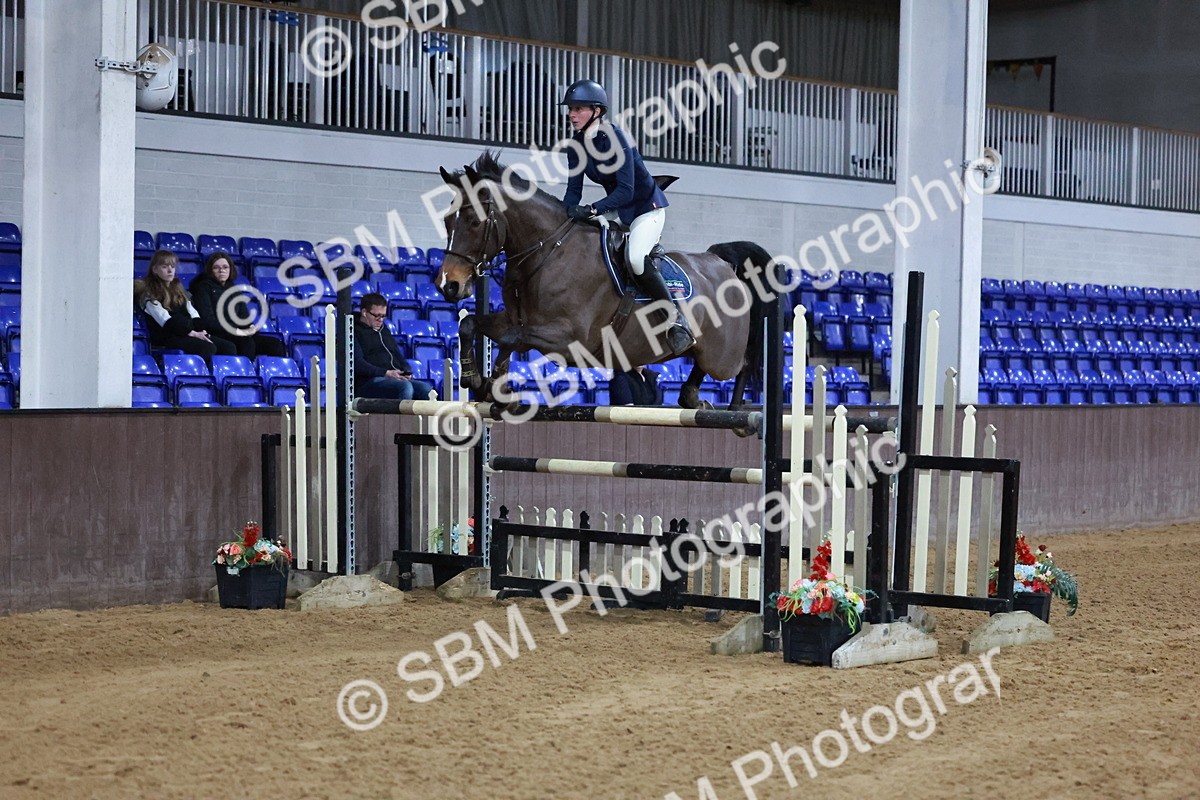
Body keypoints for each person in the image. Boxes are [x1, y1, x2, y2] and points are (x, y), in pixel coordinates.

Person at [559, 78, 695, 356]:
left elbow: (626, 189)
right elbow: (573, 192)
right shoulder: (576, 145)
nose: (571, 114)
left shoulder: (616, 138)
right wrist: (563, 218)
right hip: (618, 209)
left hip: (646, 209)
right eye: (570, 109)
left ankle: (676, 319)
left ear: (597, 111)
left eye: (579, 109)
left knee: (635, 258)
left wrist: (594, 209)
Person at [135, 249, 233, 361]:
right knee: (207, 347)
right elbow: (165, 321)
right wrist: (193, 334)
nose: (170, 270)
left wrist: (200, 330)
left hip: (186, 333)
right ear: (155, 269)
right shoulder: (149, 293)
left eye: (172, 266)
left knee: (228, 347)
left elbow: (193, 313)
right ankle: (196, 376)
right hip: (167, 337)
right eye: (165, 267)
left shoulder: (179, 289)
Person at [189, 251, 286, 360]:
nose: (222, 270)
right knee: (246, 343)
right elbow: (207, 320)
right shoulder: (202, 288)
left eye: (225, 267)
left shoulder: (234, 289)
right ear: (210, 270)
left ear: (230, 270)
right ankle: (244, 375)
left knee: (275, 344)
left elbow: (244, 316)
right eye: (216, 267)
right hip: (218, 333)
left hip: (237, 333)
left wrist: (251, 327)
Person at [354, 292, 435, 400]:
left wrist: (406, 370)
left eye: (383, 316)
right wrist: (385, 373)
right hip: (369, 381)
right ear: (364, 312)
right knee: (405, 388)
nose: (380, 320)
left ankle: (426, 417)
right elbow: (358, 363)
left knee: (426, 390)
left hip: (393, 378)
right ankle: (401, 417)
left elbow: (397, 355)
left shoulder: (384, 331)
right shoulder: (354, 330)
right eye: (377, 316)